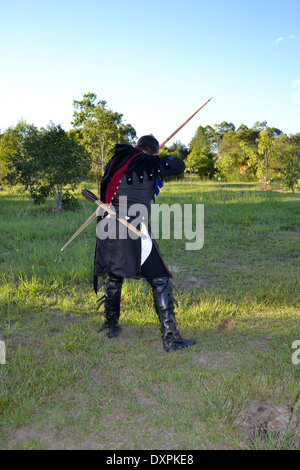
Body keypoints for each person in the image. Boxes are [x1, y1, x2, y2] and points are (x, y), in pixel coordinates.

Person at [94, 135, 196, 352]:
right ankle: (171, 338)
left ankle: (112, 326)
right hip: (133, 227)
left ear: (136, 146)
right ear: (154, 151)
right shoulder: (150, 162)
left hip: (108, 225)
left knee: (114, 275)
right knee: (159, 280)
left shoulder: (117, 159)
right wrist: (160, 157)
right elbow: (179, 165)